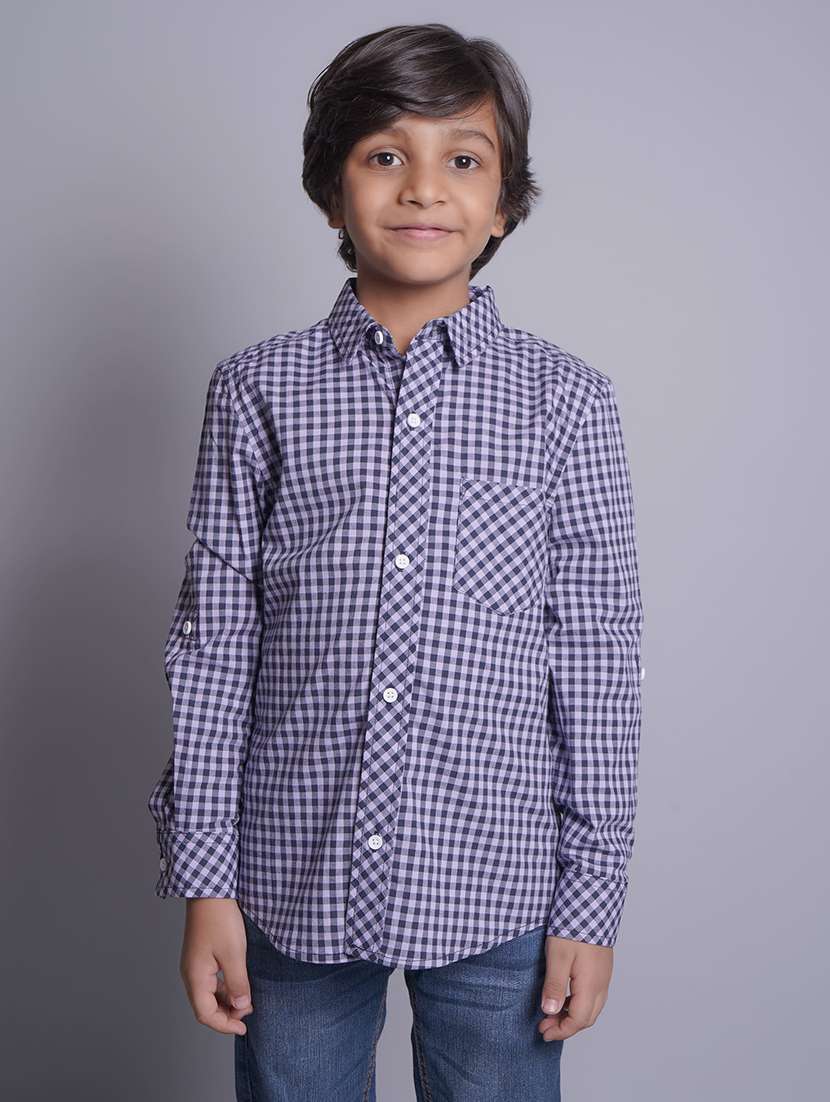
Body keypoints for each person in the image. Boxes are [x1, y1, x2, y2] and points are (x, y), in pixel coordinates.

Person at [147, 21, 644, 1102]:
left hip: (499, 883)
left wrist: (590, 897)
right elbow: (215, 644)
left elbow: (596, 657)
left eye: (462, 158)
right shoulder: (258, 390)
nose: (423, 188)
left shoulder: (565, 402)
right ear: (332, 191)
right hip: (292, 873)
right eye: (384, 155)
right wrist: (206, 881)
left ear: (505, 202)